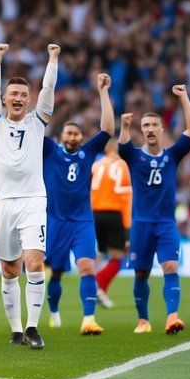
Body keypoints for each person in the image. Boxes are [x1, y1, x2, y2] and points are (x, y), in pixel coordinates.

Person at [0, 42, 57, 349]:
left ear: (29, 101)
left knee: (34, 261)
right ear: (4, 99)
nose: (18, 98)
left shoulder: (37, 122)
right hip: (3, 203)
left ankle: (32, 327)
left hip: (33, 201)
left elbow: (48, 89)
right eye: (13, 94)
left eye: (23, 95)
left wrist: (53, 58)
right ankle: (15, 329)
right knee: (9, 269)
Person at [117, 84, 190, 335]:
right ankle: (143, 320)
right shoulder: (134, 156)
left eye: (154, 126)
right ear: (141, 131)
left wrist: (183, 97)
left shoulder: (173, 155)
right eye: (146, 127)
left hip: (166, 224)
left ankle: (172, 316)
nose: (150, 130)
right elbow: (122, 147)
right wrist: (124, 126)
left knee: (170, 267)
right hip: (141, 223)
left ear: (162, 130)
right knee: (141, 273)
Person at [43, 73, 114, 335]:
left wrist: (103, 91)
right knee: (57, 272)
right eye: (68, 134)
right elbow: (36, 129)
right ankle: (53, 311)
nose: (72, 137)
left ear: (82, 138)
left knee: (87, 267)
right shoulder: (50, 150)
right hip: (56, 221)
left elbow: (107, 129)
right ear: (62, 136)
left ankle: (89, 319)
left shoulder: (88, 152)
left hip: (83, 221)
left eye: (76, 134)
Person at [90, 139, 132, 308]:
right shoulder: (123, 166)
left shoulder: (96, 165)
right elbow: (127, 198)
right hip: (114, 213)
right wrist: (127, 229)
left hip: (95, 213)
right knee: (118, 256)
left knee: (101, 252)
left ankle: (99, 288)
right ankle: (98, 282)